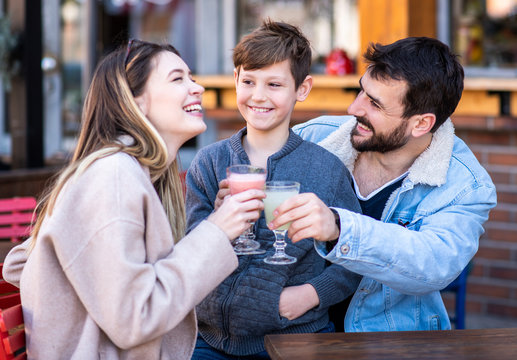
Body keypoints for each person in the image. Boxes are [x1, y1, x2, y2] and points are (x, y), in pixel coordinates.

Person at [2, 39, 266, 359]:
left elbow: (22, 262)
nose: (197, 87)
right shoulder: (113, 177)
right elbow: (132, 320)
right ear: (135, 102)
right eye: (177, 78)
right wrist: (217, 232)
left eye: (191, 77)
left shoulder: (135, 175)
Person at [267, 36, 497, 331]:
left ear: (421, 124)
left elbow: (433, 265)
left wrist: (339, 228)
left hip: (389, 343)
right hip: (292, 334)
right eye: (361, 91)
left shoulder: (467, 185)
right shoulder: (313, 137)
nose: (353, 108)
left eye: (374, 104)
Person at [185, 20, 361, 359]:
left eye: (274, 84)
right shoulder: (209, 162)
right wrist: (217, 225)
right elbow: (189, 251)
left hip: (294, 335)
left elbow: (352, 255)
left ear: (302, 88)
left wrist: (309, 295)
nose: (259, 95)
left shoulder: (325, 170)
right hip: (209, 340)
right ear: (235, 79)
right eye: (248, 81)